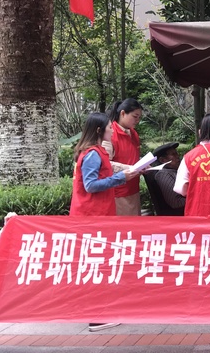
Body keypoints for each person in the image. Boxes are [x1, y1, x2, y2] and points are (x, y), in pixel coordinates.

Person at [70, 112, 141, 332]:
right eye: (109, 128)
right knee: (96, 265)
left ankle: (99, 311)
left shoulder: (96, 152)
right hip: (91, 217)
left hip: (97, 216)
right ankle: (96, 316)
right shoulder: (92, 154)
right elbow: (91, 185)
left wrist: (128, 171)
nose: (112, 130)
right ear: (100, 131)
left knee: (99, 264)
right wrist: (121, 178)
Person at [103, 98, 143, 216]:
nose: (137, 120)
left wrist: (143, 165)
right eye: (135, 116)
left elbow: (131, 157)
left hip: (133, 188)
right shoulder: (110, 133)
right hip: (118, 192)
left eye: (139, 117)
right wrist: (131, 168)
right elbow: (105, 163)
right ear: (123, 113)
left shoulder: (133, 133)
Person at [149, 142, 185, 216]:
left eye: (177, 153)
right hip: (178, 215)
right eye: (173, 154)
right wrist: (197, 199)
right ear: (163, 160)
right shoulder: (164, 174)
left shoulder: (174, 171)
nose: (178, 156)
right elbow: (175, 203)